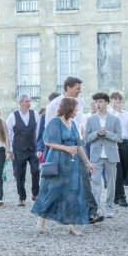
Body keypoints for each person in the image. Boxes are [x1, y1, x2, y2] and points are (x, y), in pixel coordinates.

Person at [32, 98, 93, 236]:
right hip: (57, 161)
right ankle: (40, 221)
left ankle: (72, 226)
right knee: (52, 191)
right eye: (75, 108)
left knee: (73, 193)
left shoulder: (73, 123)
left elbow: (78, 145)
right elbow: (47, 142)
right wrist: (66, 148)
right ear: (69, 108)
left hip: (72, 164)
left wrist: (87, 162)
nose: (77, 111)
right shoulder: (56, 122)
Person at [44, 77, 100, 223]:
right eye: (77, 88)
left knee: (84, 178)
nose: (80, 91)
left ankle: (91, 212)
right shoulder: (54, 105)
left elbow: (77, 122)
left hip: (77, 146)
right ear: (68, 88)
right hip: (60, 150)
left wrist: (81, 133)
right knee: (56, 184)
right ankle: (48, 214)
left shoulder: (80, 102)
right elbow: (48, 130)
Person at [84, 92, 122, 220]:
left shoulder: (115, 119)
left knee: (111, 182)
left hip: (111, 155)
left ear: (106, 102)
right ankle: (96, 209)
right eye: (96, 102)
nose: (98, 104)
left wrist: (107, 133)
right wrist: (97, 133)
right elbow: (87, 138)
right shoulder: (91, 119)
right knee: (95, 182)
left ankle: (109, 207)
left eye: (100, 101)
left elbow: (119, 138)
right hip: (96, 155)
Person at [6, 94, 40, 206]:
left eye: (29, 101)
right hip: (18, 149)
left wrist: (39, 146)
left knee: (36, 170)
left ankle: (35, 193)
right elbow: (8, 133)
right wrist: (10, 150)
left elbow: (39, 131)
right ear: (20, 103)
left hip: (32, 148)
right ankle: (22, 197)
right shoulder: (13, 116)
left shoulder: (35, 114)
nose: (29, 103)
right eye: (26, 101)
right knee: (20, 174)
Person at [110, 91, 128, 207]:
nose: (118, 101)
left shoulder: (126, 114)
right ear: (112, 100)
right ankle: (122, 196)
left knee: (125, 169)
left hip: (125, 143)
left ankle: (116, 194)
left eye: (120, 99)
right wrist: (117, 112)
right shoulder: (109, 113)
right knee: (118, 169)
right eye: (116, 99)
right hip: (114, 143)